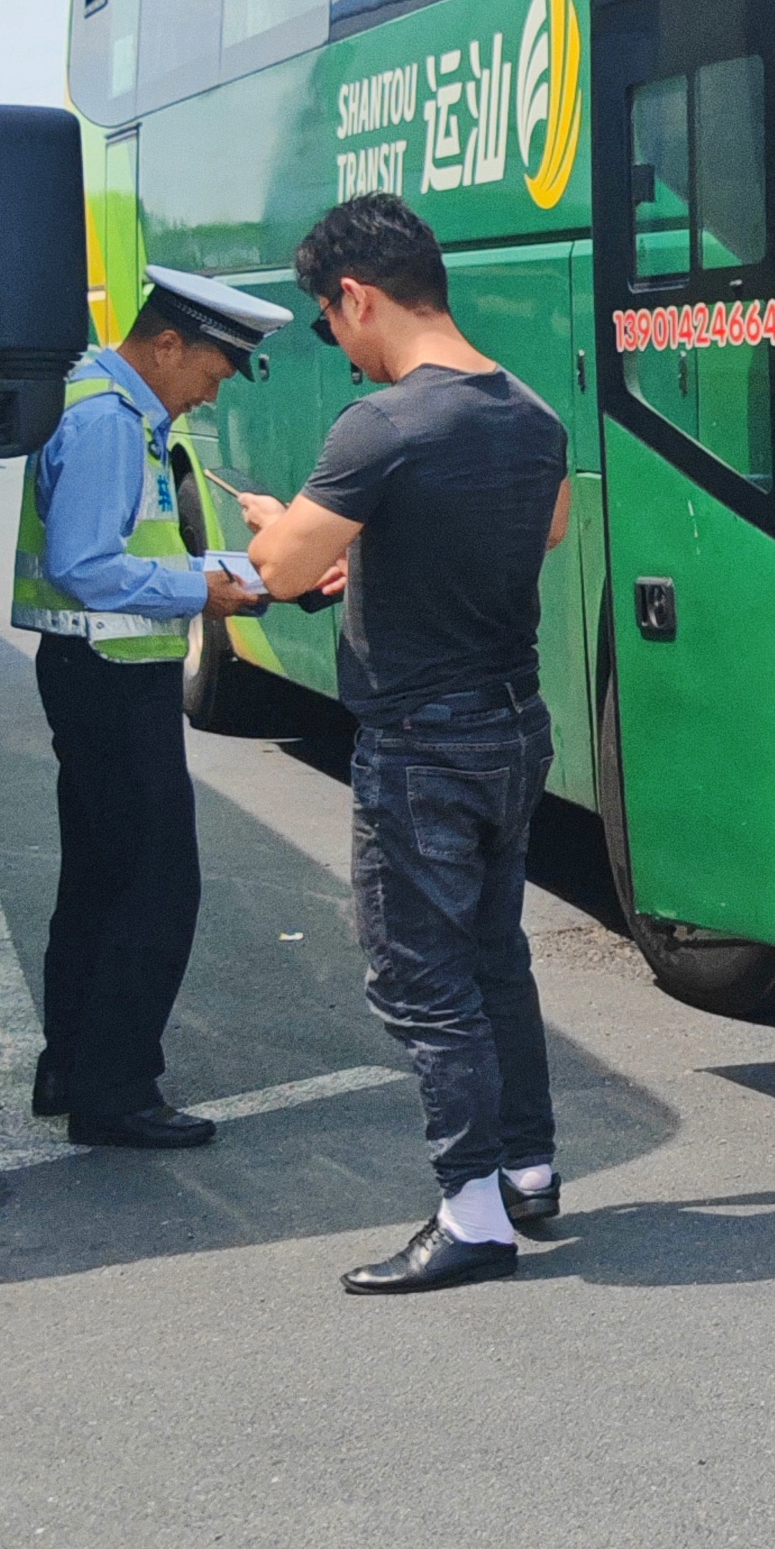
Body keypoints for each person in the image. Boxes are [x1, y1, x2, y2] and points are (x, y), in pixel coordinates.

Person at [242, 195, 571, 1296]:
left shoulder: (378, 428)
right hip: (513, 728)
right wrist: (379, 548)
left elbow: (282, 570)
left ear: (358, 296)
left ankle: (472, 1213)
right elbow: (544, 527)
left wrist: (285, 531)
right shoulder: (529, 412)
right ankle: (530, 1166)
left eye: (332, 325)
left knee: (421, 982)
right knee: (495, 958)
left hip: (422, 744)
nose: (340, 347)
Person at [14, 266, 286, 1147]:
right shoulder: (106, 421)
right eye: (209, 374)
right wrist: (201, 589)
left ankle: (73, 1065)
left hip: (101, 667)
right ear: (166, 344)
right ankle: (117, 1090)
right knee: (157, 886)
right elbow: (85, 563)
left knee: (98, 876)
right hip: (112, 671)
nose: (209, 395)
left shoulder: (112, 405)